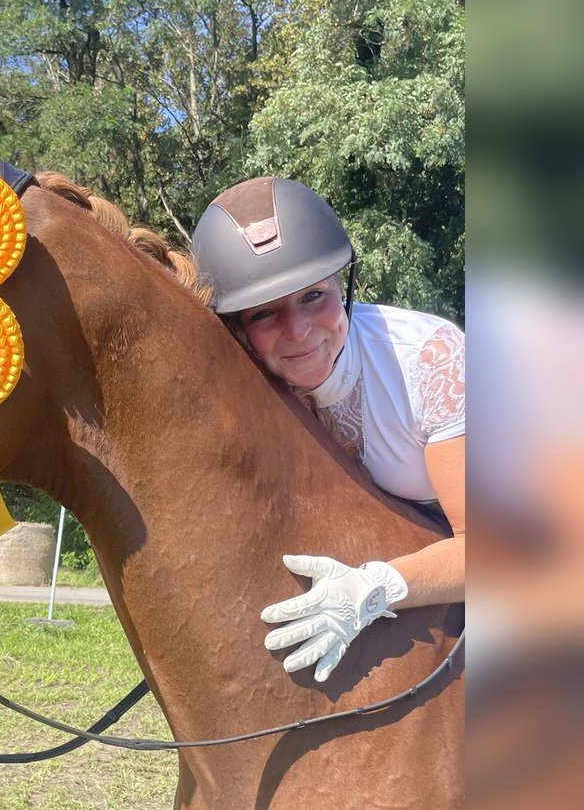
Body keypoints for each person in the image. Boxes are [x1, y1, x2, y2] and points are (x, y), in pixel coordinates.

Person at [191, 176, 465, 683]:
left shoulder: (431, 359)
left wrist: (374, 586)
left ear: (345, 286)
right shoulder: (249, 387)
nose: (298, 332)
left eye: (314, 296)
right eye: (265, 313)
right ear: (238, 329)